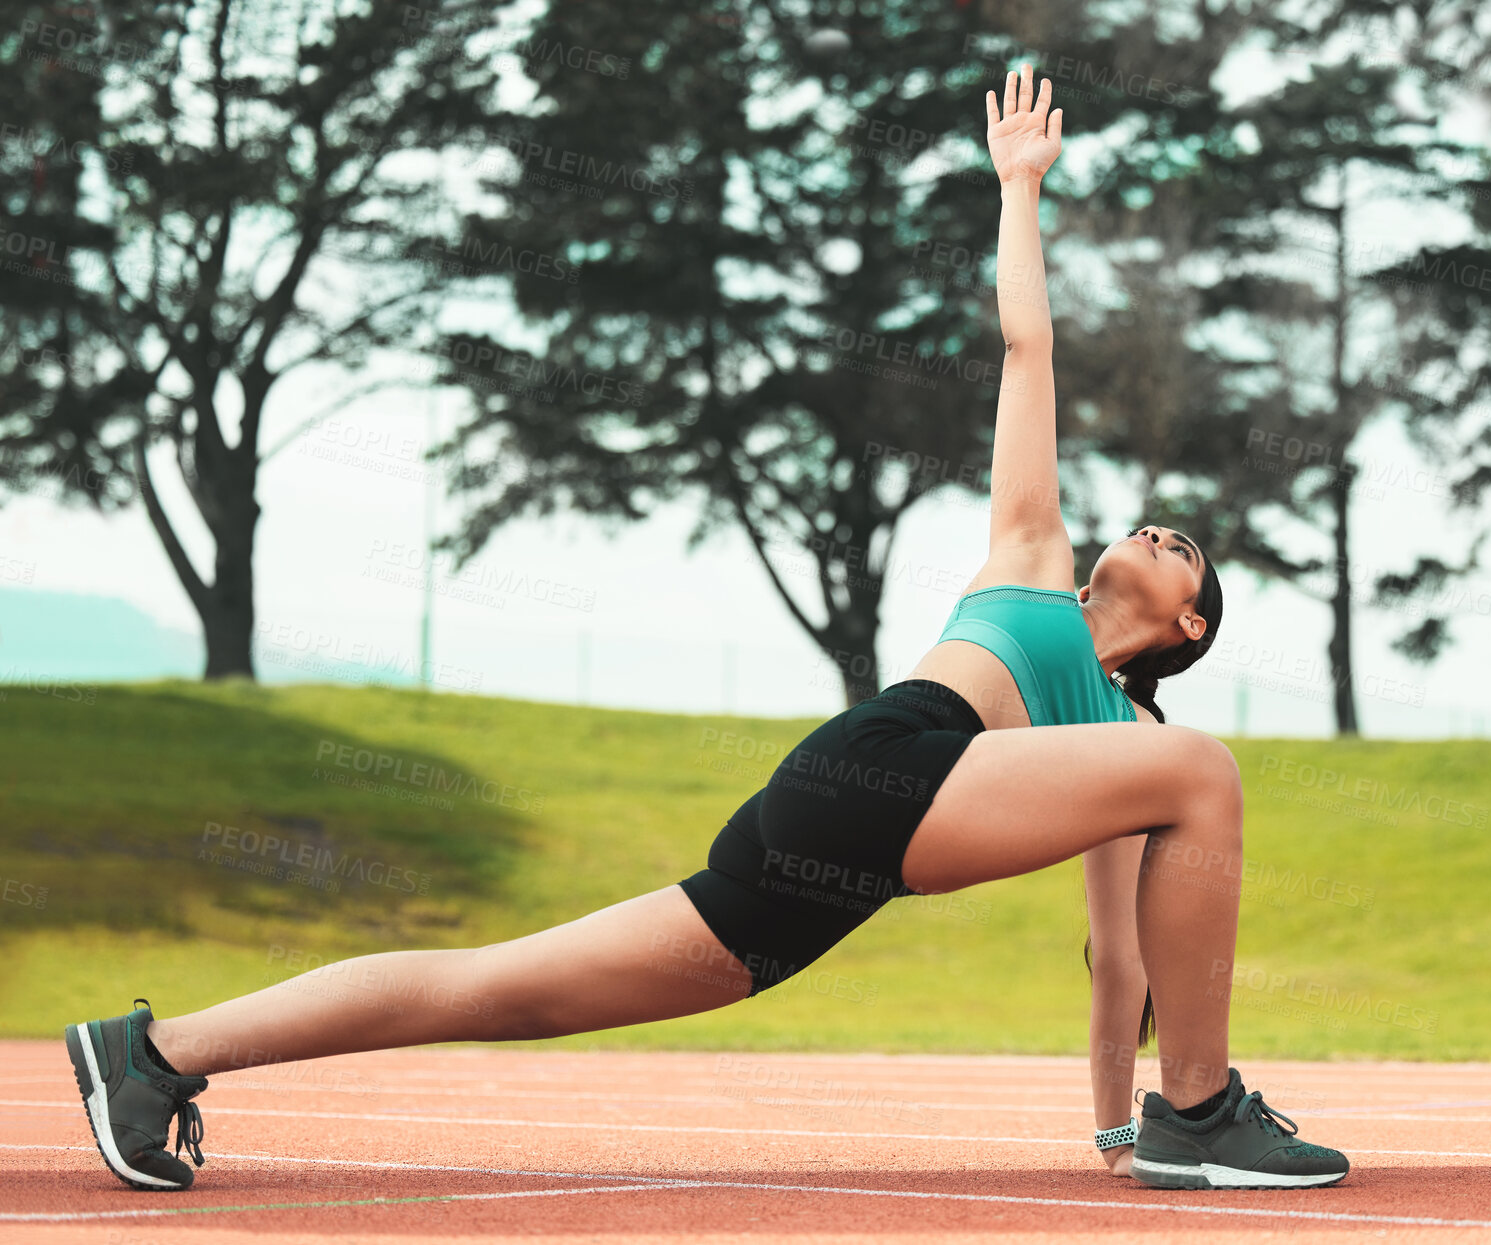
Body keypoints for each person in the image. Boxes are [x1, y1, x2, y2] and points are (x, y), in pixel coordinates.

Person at [65, 64, 1348, 1194]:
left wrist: (1111, 1137)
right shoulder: (1031, 564)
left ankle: (157, 1053)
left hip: (798, 894)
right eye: (1154, 523)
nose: (1155, 531)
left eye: (1184, 549)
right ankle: (1204, 1113)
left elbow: (1119, 963)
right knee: (1209, 771)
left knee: (502, 987)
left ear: (1184, 626)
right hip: (885, 764)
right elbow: (1025, 353)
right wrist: (1018, 187)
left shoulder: (1123, 753)